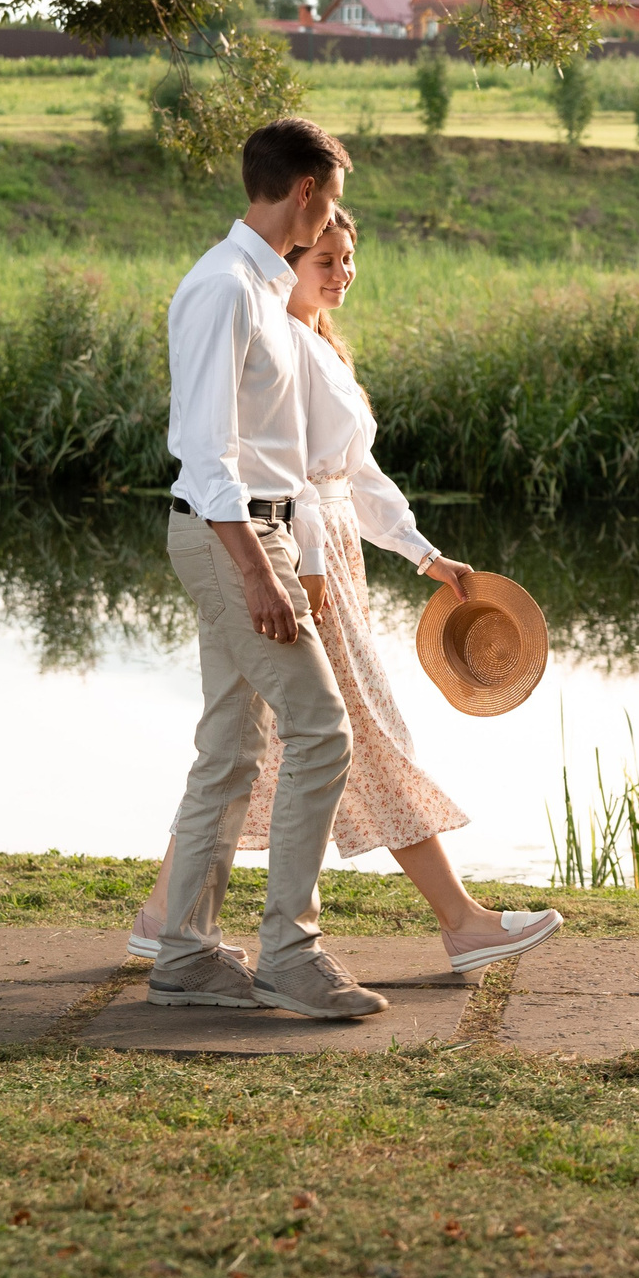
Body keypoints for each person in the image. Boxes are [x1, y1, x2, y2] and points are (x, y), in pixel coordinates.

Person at [132, 206, 563, 975]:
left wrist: (423, 552)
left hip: (326, 549)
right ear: (289, 262)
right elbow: (284, 468)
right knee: (359, 728)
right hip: (299, 555)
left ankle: (165, 912)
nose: (342, 272)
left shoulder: (319, 344)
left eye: (349, 257)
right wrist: (307, 566)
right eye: (325, 259)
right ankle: (461, 922)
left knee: (254, 737)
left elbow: (354, 477)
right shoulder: (278, 337)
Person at [152, 117, 385, 1019]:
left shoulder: (267, 286)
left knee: (232, 746)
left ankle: (186, 954)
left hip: (260, 531)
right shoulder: (224, 290)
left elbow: (287, 447)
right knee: (322, 729)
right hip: (233, 536)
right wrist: (258, 570)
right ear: (302, 192)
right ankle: (291, 951)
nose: (330, 214)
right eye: (327, 197)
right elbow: (206, 452)